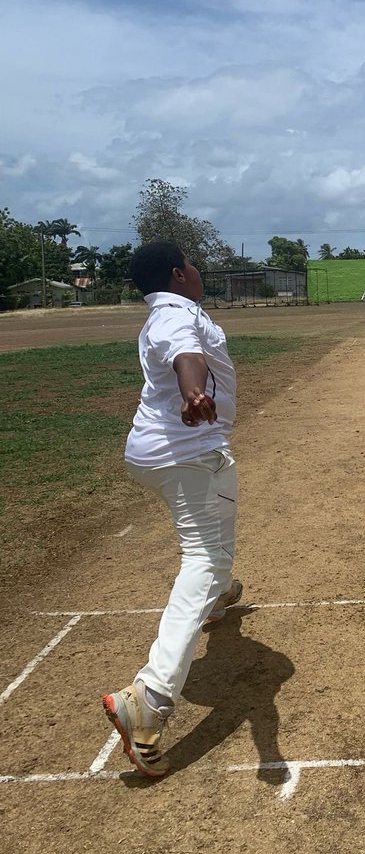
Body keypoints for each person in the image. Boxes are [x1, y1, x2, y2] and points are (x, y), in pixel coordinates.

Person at [102, 241, 243, 778]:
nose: (199, 271)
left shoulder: (163, 315)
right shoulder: (176, 314)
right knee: (206, 555)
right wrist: (193, 393)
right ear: (178, 273)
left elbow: (184, 350)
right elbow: (189, 357)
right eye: (194, 264)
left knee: (208, 549)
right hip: (188, 455)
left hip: (161, 454)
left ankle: (221, 597)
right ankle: (150, 698)